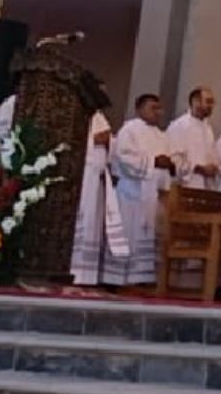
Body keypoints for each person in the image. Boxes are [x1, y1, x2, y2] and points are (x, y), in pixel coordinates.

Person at [104, 94, 174, 285]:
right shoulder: (130, 130)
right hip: (132, 193)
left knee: (149, 234)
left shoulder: (162, 135)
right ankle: (117, 279)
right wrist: (153, 161)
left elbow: (169, 161)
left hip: (154, 194)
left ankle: (144, 278)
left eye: (160, 108)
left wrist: (169, 164)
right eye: (153, 108)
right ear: (139, 109)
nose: (158, 112)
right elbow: (124, 157)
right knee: (130, 233)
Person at [68, 110, 116, 285]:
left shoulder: (98, 116)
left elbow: (111, 142)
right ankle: (74, 271)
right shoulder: (75, 111)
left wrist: (109, 142)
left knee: (93, 225)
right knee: (82, 222)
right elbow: (69, 139)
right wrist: (94, 140)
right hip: (82, 174)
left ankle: (87, 276)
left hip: (96, 177)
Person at [166, 86, 221, 190]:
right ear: (196, 102)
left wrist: (214, 167)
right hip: (185, 184)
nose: (212, 106)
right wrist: (199, 169)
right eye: (208, 102)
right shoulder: (179, 126)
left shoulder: (208, 128)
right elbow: (173, 159)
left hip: (206, 186)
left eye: (212, 102)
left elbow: (212, 155)